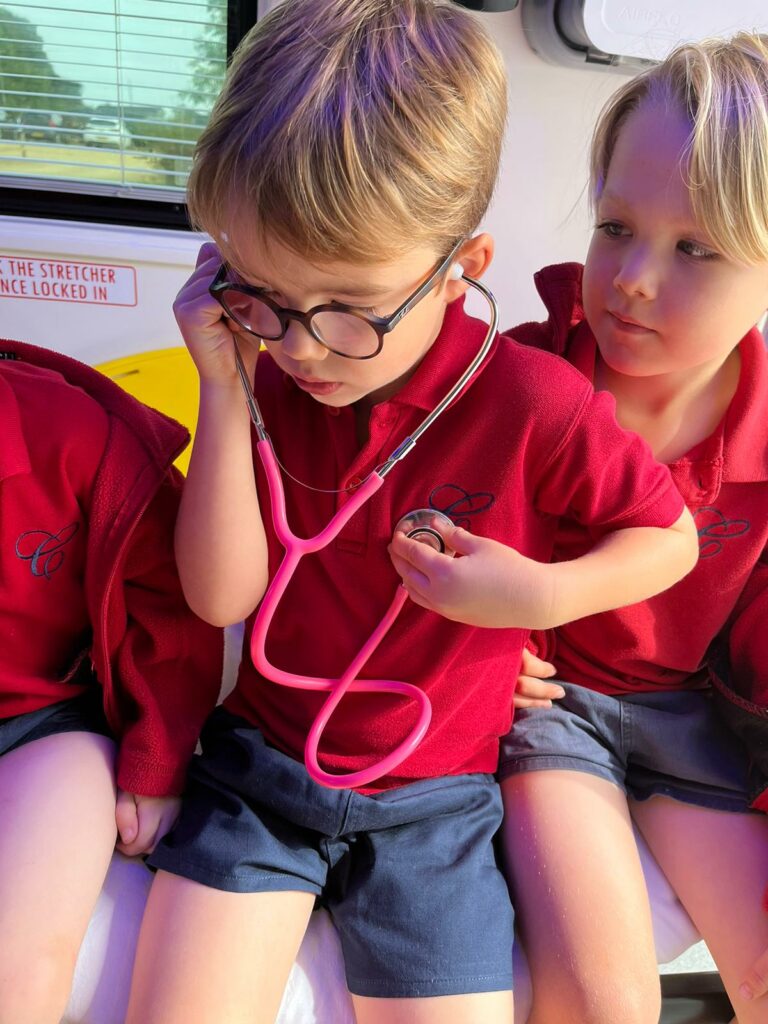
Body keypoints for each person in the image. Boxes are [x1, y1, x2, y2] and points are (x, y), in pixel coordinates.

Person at [124, 2, 698, 1022]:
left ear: (462, 268)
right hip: (258, 777)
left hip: (436, 807)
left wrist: (538, 591)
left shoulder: (531, 403)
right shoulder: (262, 373)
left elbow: (670, 537)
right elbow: (220, 596)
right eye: (261, 292)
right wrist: (222, 380)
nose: (301, 345)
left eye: (347, 306)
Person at [500, 32, 768, 1024]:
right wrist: (485, 641)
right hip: (548, 710)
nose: (633, 278)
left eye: (696, 247)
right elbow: (420, 534)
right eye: (615, 226)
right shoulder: (518, 382)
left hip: (691, 725)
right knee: (607, 1001)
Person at [0, 336, 222, 1022]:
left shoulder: (70, 430)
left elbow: (168, 602)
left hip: (43, 722)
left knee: (21, 958)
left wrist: (157, 759)